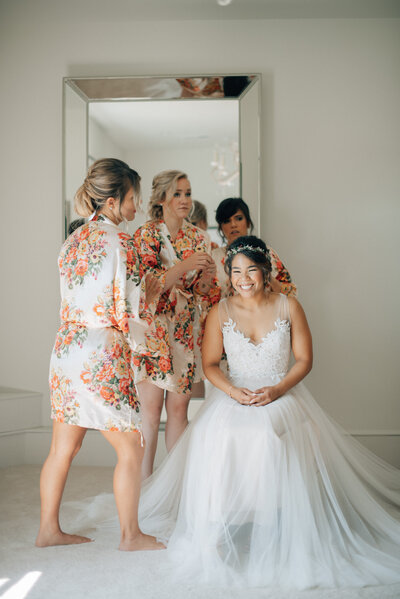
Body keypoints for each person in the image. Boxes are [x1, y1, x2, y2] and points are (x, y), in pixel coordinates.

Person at [131, 235, 400, 588]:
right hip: (235, 391)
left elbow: (304, 360)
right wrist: (232, 392)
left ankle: (271, 524)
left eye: (252, 270)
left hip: (281, 391)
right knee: (216, 433)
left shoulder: (289, 306)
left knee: (263, 432)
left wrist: (276, 390)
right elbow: (210, 364)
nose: (244, 278)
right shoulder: (220, 311)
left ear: (266, 272)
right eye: (236, 271)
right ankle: (221, 525)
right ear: (228, 275)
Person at [36, 158, 164, 552]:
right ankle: (131, 536)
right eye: (132, 199)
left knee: (63, 447)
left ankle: (48, 530)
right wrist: (156, 292)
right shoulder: (119, 243)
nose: (135, 207)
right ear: (112, 201)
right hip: (100, 354)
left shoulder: (71, 240)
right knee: (132, 446)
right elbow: (128, 307)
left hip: (66, 350)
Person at [133, 170, 220, 479]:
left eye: (188, 192)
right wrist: (183, 266)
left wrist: (207, 277)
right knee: (151, 411)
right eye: (178, 193)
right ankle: (142, 490)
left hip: (184, 332)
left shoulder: (199, 237)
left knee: (179, 411)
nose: (185, 199)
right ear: (161, 199)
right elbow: (144, 288)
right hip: (154, 332)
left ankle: (176, 487)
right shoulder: (146, 235)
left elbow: (202, 291)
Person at [213, 197, 297, 298]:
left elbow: (290, 292)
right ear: (221, 227)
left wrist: (267, 277)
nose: (233, 225)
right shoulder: (214, 257)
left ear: (248, 222)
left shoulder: (266, 253)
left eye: (239, 218)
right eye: (227, 221)